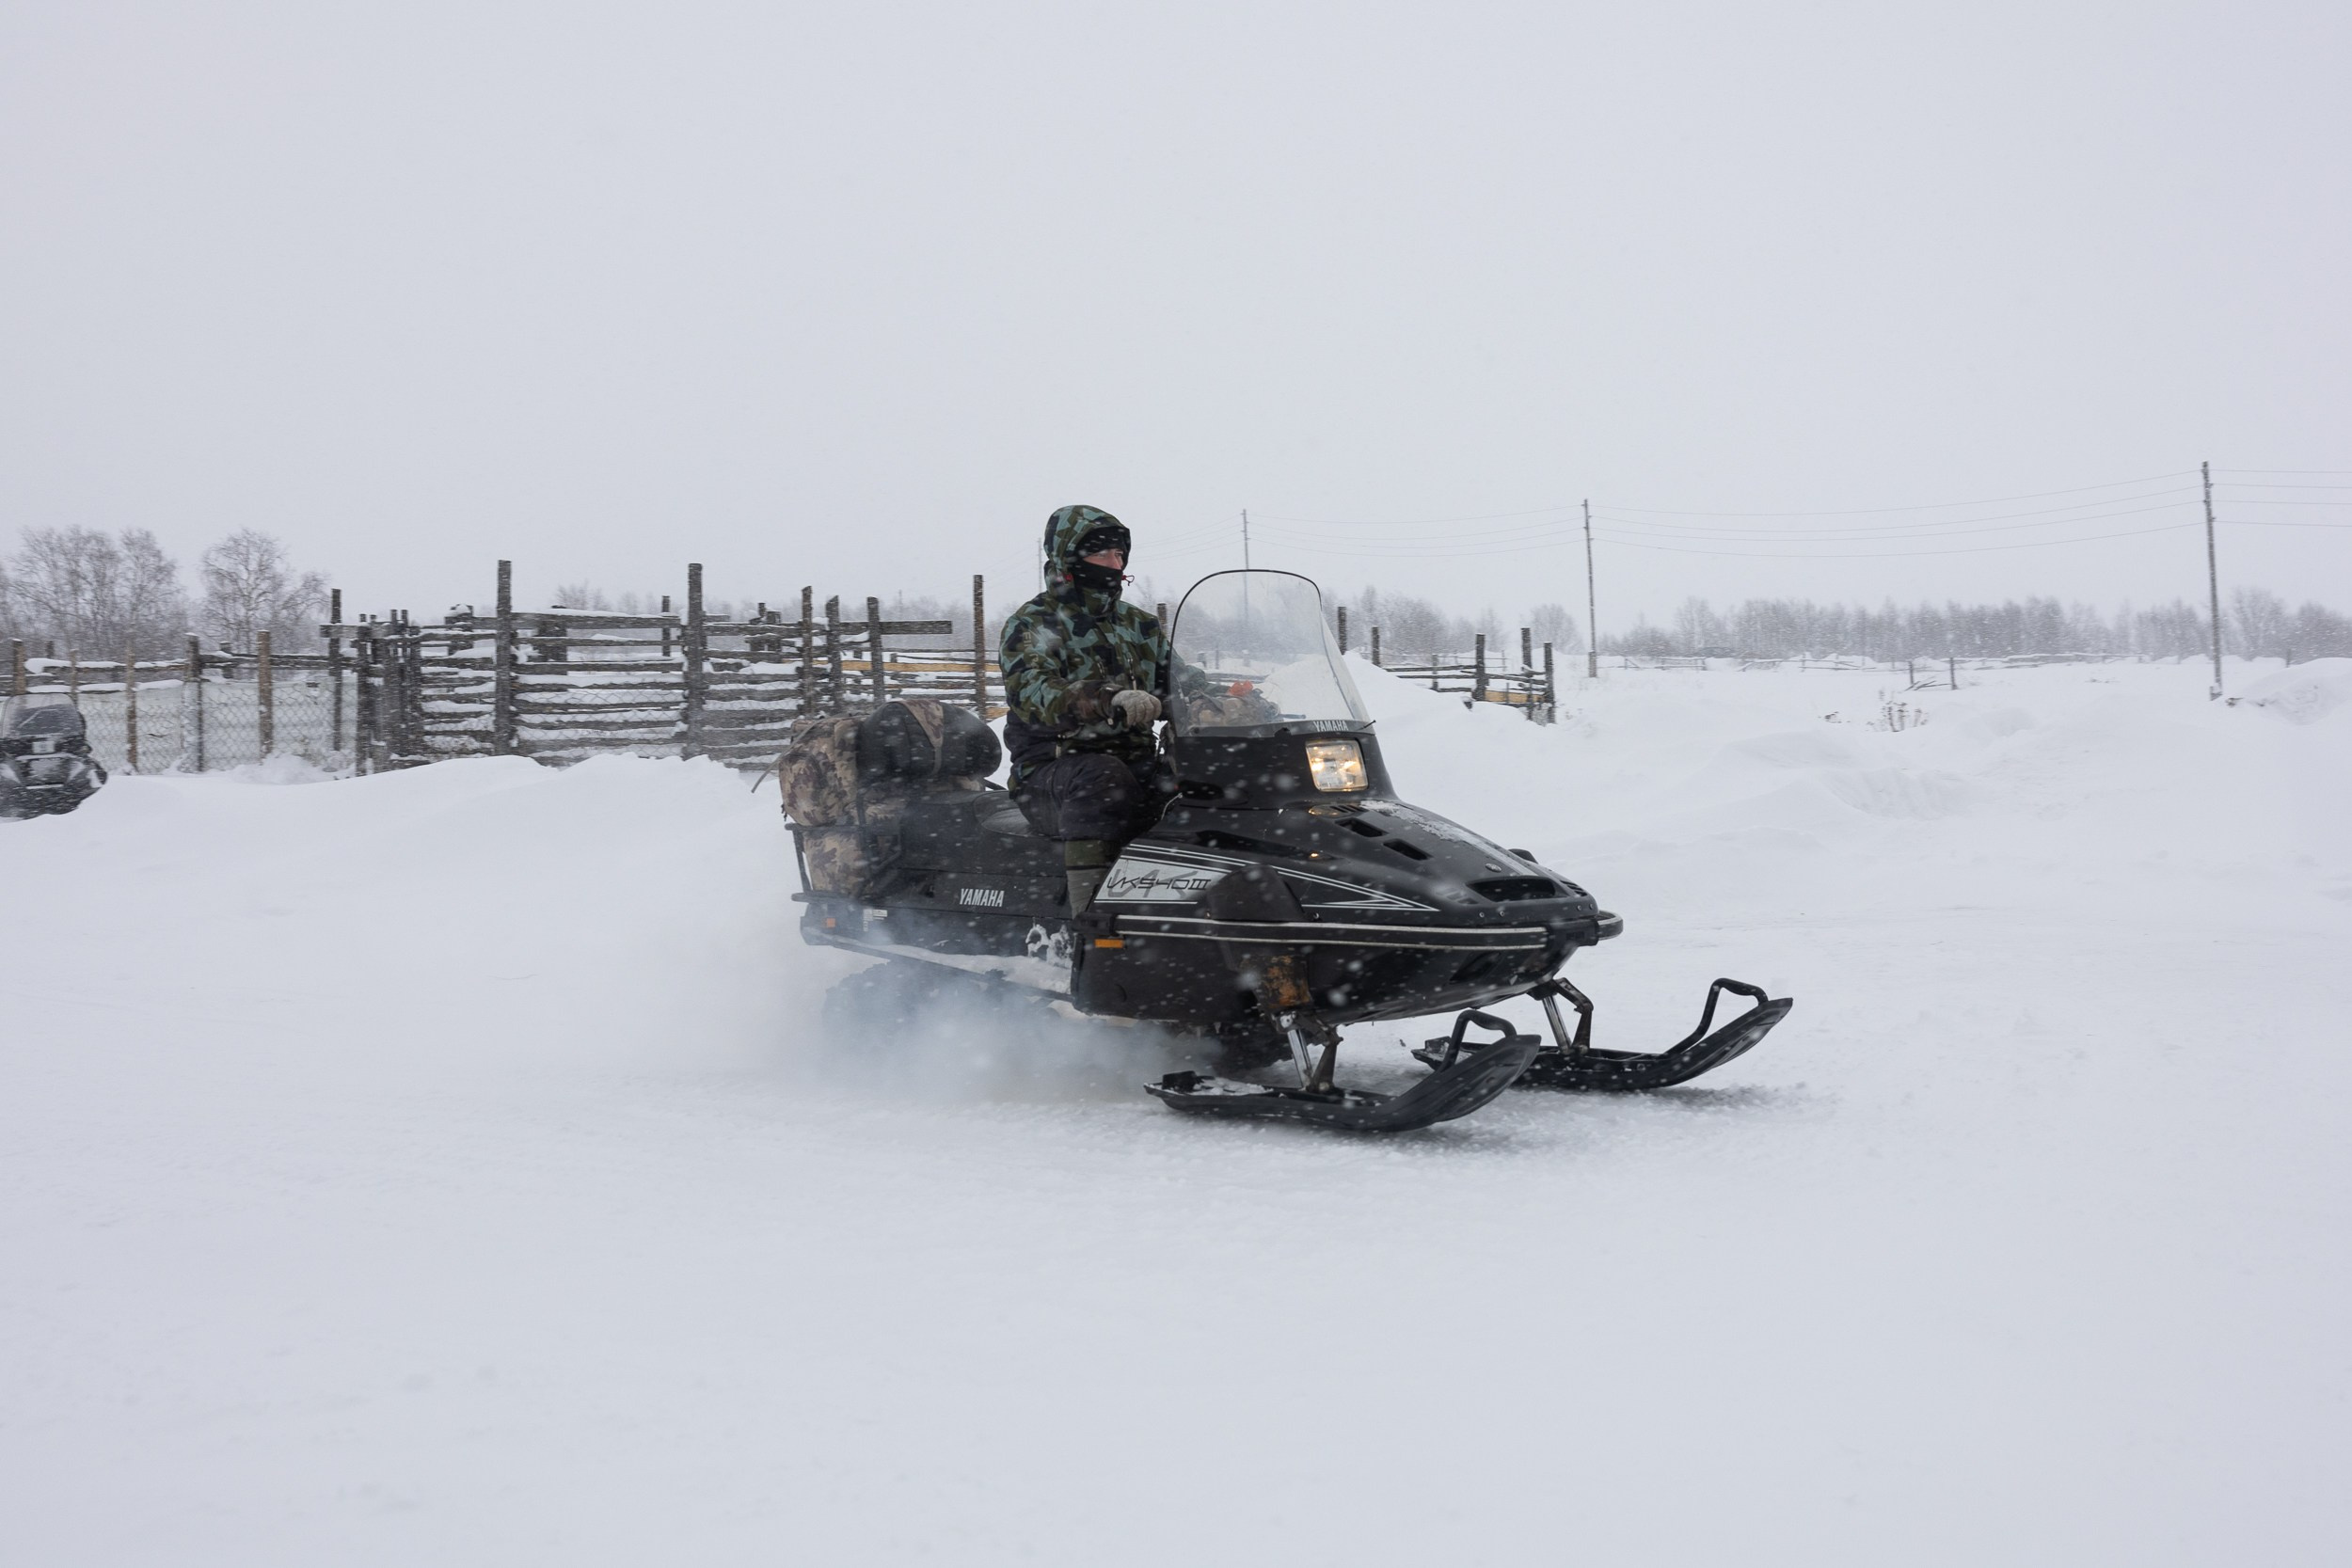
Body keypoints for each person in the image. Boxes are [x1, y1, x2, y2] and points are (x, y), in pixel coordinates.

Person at [999, 504, 1197, 913]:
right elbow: (1034, 692)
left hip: (1135, 764)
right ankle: (1090, 926)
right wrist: (1107, 698)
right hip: (1053, 772)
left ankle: (1195, 910)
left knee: (1197, 783)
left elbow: (1179, 680)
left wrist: (1231, 698)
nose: (1115, 563)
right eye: (1102, 554)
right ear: (1069, 558)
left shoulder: (1139, 626)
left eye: (1120, 554)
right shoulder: (1034, 624)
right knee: (1103, 779)